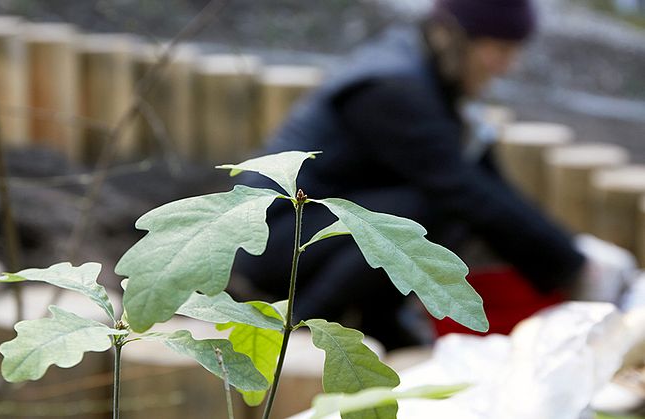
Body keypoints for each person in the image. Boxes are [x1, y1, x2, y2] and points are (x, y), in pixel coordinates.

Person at [233, 0, 612, 349]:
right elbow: (464, 191)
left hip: (312, 228)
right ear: (453, 37)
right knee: (429, 208)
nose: (506, 65)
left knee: (430, 210)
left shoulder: (427, 73)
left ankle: (379, 325)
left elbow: (488, 183)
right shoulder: (393, 89)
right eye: (498, 49)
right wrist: (571, 267)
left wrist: (573, 251)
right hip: (278, 238)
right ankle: (304, 324)